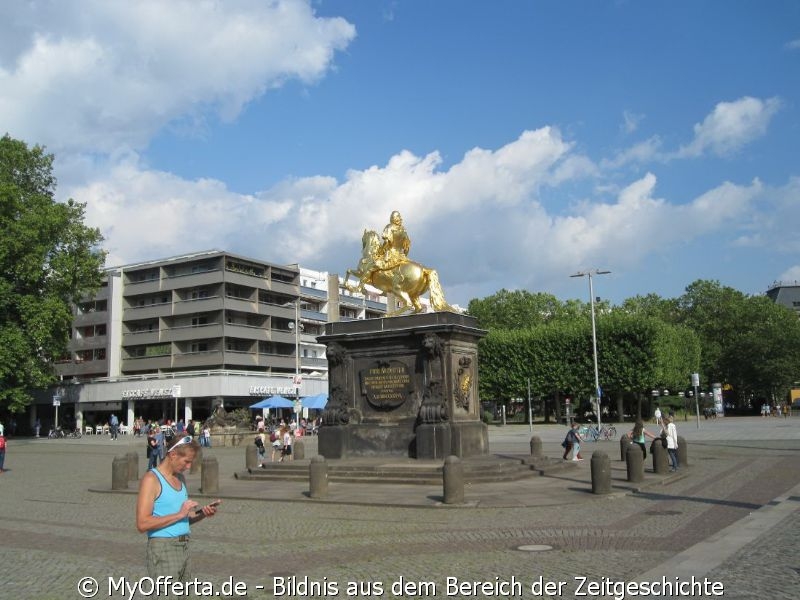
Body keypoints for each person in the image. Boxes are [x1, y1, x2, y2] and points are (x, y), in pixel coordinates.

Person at [136, 435, 220, 580]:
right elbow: (142, 523)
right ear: (173, 455)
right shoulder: (151, 479)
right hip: (163, 549)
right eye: (186, 461)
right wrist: (179, 515)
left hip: (184, 547)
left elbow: (184, 518)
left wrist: (203, 513)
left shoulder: (180, 478)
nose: (188, 467)